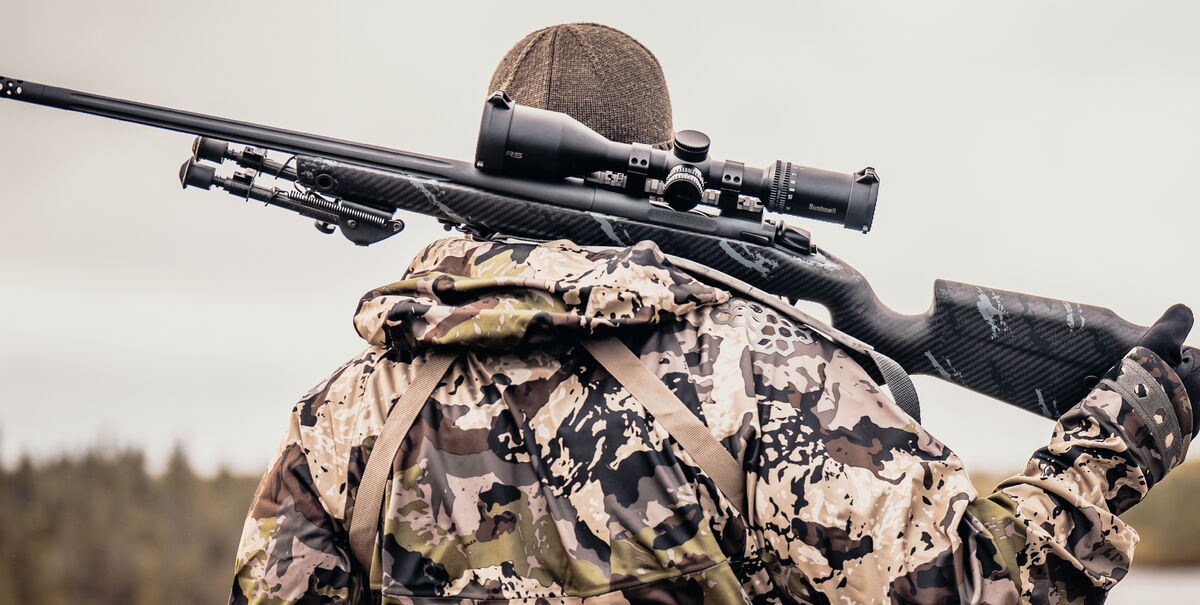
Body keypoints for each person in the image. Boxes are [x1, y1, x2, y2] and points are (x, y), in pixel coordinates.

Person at [229, 23, 1200, 604]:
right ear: (656, 166)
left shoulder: (339, 417)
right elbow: (989, 586)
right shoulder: (761, 371)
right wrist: (1124, 429)